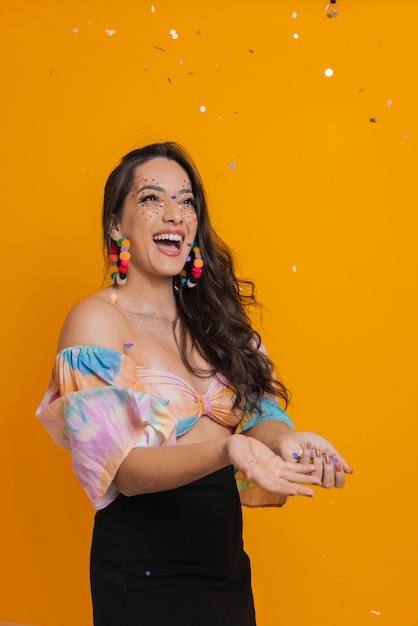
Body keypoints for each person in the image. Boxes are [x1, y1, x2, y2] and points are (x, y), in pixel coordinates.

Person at [36, 142, 352, 626]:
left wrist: (287, 442)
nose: (174, 214)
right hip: (142, 572)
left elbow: (259, 415)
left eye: (186, 202)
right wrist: (229, 452)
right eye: (150, 199)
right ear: (115, 225)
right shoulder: (95, 322)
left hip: (224, 566)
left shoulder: (217, 320)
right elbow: (125, 470)